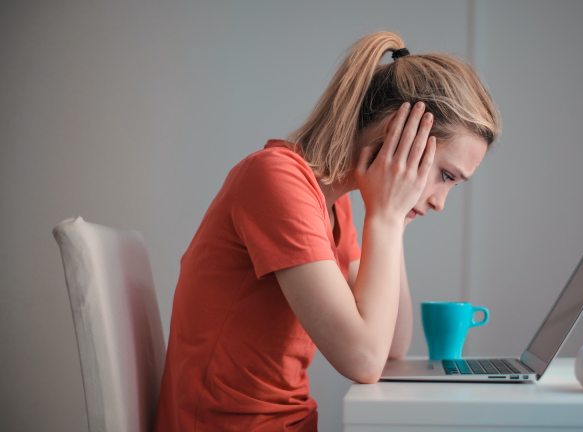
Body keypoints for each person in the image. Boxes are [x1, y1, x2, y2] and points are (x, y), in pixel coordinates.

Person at [154, 30, 501, 431]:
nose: (441, 201)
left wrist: (396, 220)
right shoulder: (275, 179)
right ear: (397, 134)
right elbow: (364, 360)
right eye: (444, 175)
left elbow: (391, 347)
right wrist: (385, 218)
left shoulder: (334, 205)